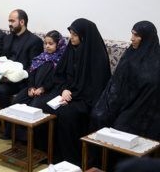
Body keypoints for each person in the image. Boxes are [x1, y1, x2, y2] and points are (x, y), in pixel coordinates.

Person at [35, 18, 111, 166]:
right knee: (45, 108)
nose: (71, 37)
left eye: (75, 34)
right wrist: (64, 90)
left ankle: (72, 160)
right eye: (70, 33)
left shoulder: (97, 56)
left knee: (67, 116)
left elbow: (95, 87)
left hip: (87, 100)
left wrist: (71, 97)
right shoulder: (70, 50)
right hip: (67, 94)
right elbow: (59, 75)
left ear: (84, 36)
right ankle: (49, 154)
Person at [91, 21, 160, 169]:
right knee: (100, 117)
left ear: (147, 38)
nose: (131, 38)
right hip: (127, 108)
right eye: (132, 33)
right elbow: (115, 86)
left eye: (136, 35)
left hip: (151, 114)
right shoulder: (130, 55)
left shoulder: (157, 61)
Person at [0, 9, 44, 134]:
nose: (9, 24)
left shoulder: (34, 41)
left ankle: (9, 128)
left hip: (21, 79)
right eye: (9, 21)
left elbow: (32, 67)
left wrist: (12, 77)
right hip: (4, 76)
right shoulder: (7, 38)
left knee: (0, 90)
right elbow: (2, 59)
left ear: (22, 22)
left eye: (12, 21)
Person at [0, 30, 66, 140]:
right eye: (46, 43)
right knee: (16, 103)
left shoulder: (61, 60)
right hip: (33, 88)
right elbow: (32, 73)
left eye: (51, 44)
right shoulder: (41, 57)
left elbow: (57, 80)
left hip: (49, 91)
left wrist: (43, 88)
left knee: (35, 107)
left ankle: (27, 140)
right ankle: (11, 134)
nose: (47, 46)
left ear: (58, 44)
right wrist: (31, 87)